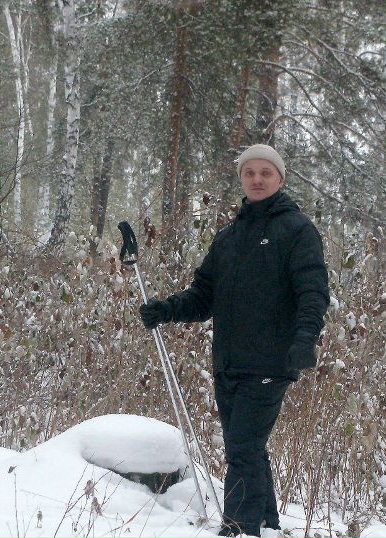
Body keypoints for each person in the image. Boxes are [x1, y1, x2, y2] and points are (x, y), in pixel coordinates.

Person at [139, 144, 330, 537]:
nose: (257, 179)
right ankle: (265, 522)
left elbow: (313, 291)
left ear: (280, 179)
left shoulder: (297, 230)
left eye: (266, 173)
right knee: (249, 447)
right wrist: (166, 309)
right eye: (249, 173)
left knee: (241, 449)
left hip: (272, 360)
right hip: (228, 361)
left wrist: (305, 338)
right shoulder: (228, 236)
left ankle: (239, 528)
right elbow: (203, 296)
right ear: (241, 178)